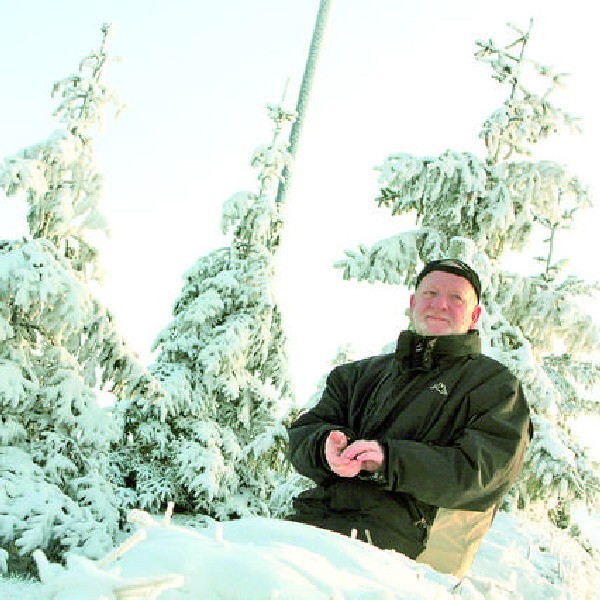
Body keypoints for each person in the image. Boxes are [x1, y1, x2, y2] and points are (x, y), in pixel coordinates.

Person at [287, 258, 531, 571]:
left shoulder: (494, 387)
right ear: (413, 303)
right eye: (430, 294)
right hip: (309, 521)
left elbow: (480, 472)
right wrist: (324, 448)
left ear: (475, 315)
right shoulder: (357, 376)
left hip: (401, 548)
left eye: (456, 298)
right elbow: (305, 433)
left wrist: (389, 460)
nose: (441, 305)